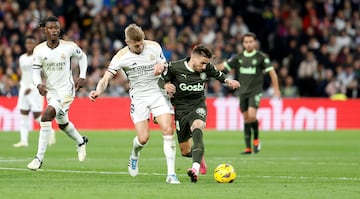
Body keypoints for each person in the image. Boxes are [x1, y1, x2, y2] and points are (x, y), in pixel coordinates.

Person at [89, 24, 180, 184]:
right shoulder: (121, 57)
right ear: (127, 42)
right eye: (136, 45)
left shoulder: (154, 47)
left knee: (168, 128)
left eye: (141, 43)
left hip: (158, 93)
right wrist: (97, 91)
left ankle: (171, 174)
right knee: (143, 138)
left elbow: (165, 68)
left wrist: (163, 72)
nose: (140, 47)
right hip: (139, 98)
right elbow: (106, 79)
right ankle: (135, 154)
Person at [159, 44, 240, 183]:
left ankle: (194, 168)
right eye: (202, 63)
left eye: (206, 63)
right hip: (180, 109)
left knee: (197, 126)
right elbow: (161, 80)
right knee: (185, 151)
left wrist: (229, 81)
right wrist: (166, 86)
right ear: (194, 57)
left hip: (198, 105)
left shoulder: (207, 68)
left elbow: (219, 75)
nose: (204, 66)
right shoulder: (175, 67)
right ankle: (199, 155)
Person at [27, 16, 89, 170]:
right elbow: (35, 73)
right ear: (45, 30)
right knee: (62, 124)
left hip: (66, 91)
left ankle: (38, 159)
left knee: (46, 116)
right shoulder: (39, 50)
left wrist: (82, 76)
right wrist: (38, 84)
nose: (54, 31)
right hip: (51, 92)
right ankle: (81, 141)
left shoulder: (68, 47)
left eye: (56, 28)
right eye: (50, 28)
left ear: (59, 30)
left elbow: (83, 57)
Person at [217, 32, 281, 155]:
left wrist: (276, 89)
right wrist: (208, 68)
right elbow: (224, 66)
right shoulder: (239, 57)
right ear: (243, 44)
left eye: (251, 41)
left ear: (255, 42)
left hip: (255, 91)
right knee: (246, 118)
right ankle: (248, 147)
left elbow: (272, 73)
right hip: (242, 92)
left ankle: (256, 139)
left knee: (252, 116)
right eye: (246, 42)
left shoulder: (261, 57)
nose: (249, 44)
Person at [14, 35, 56, 148]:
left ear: (35, 45)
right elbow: (24, 74)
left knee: (37, 116)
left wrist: (33, 87)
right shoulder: (22, 58)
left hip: (35, 90)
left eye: (31, 43)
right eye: (27, 43)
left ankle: (50, 131)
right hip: (23, 89)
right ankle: (23, 141)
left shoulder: (39, 57)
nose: (29, 45)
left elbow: (42, 74)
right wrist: (22, 85)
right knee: (23, 114)